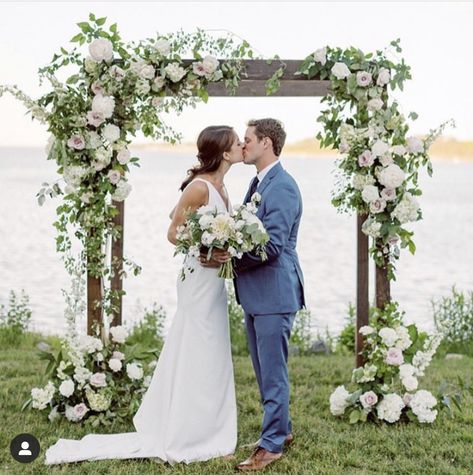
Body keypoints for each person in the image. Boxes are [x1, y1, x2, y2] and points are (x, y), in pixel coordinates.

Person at [44, 125, 243, 465]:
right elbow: (172, 231)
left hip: (213, 283)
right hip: (198, 280)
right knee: (197, 345)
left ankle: (207, 423)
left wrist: (217, 244)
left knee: (209, 349)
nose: (242, 145)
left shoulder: (222, 187)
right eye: (237, 142)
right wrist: (206, 253)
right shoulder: (200, 187)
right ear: (224, 153)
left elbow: (181, 220)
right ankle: (187, 428)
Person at [231, 118, 305, 471]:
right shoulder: (258, 182)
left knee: (273, 373)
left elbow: (273, 246)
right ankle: (283, 430)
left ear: (266, 143)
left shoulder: (283, 187)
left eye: (247, 140)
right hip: (256, 293)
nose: (242, 146)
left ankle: (272, 445)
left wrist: (229, 259)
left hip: (275, 292)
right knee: (263, 370)